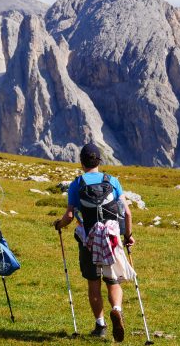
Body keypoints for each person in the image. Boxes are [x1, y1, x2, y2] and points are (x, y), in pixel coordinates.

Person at [53, 143, 135, 342]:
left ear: (81, 162)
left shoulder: (77, 184)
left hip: (89, 239)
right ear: (99, 160)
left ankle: (100, 325)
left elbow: (70, 215)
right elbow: (127, 212)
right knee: (113, 279)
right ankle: (116, 309)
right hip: (111, 238)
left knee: (93, 282)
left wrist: (58, 224)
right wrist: (128, 236)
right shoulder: (112, 181)